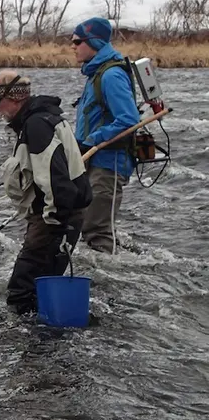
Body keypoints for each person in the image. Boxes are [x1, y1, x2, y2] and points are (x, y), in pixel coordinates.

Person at [0, 70, 93, 315]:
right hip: (61, 218)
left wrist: (52, 224)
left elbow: (56, 183)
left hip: (55, 222)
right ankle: (51, 338)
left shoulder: (36, 126)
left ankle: (36, 346)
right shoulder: (46, 118)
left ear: (14, 98)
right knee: (38, 289)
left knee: (21, 294)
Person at [70, 17, 140, 254]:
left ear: (95, 43)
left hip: (109, 163)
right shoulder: (95, 74)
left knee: (96, 231)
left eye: (77, 41)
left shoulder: (110, 76)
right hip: (93, 161)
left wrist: (93, 140)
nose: (73, 46)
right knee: (84, 225)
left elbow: (129, 120)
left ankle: (110, 283)